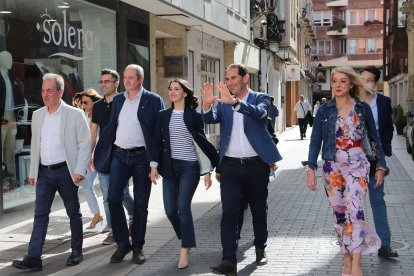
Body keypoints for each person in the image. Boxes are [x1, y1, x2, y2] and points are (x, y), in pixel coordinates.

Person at [305, 66, 388, 276]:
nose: (338, 85)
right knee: (339, 215)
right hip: (331, 166)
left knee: (355, 211)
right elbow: (315, 142)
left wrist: (380, 166)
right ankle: (346, 259)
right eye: (334, 81)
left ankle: (356, 265)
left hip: (358, 163)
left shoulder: (361, 107)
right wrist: (311, 169)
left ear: (351, 84)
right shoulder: (324, 110)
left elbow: (374, 139)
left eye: (343, 81)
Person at [201, 63, 282, 275]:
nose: (229, 83)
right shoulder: (224, 101)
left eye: (233, 78)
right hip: (230, 166)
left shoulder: (260, 98)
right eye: (227, 79)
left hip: (256, 165)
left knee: (258, 209)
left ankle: (260, 248)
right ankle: (228, 260)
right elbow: (210, 118)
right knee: (229, 212)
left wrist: (236, 103)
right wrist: (207, 106)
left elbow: (261, 114)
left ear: (245, 78)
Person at [12, 73, 90, 271]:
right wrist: (32, 172)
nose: (45, 95)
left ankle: (76, 252)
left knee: (73, 213)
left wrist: (80, 169)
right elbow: (36, 145)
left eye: (49, 91)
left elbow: (84, 143)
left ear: (60, 92)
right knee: (40, 214)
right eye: (42, 91)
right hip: (44, 173)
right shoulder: (38, 115)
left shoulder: (74, 114)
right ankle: (34, 257)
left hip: (66, 171)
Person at [150, 79, 219, 269]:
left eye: (176, 89)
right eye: (170, 89)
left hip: (189, 167)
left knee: (183, 208)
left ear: (185, 93)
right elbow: (157, 142)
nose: (172, 92)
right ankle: (186, 237)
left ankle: (185, 248)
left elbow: (201, 144)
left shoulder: (194, 116)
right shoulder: (163, 115)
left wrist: (206, 171)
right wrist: (154, 166)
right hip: (169, 168)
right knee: (170, 211)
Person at [104, 64, 165, 264]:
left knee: (140, 204)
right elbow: (113, 126)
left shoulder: (153, 100)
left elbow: (158, 134)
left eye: (131, 77)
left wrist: (154, 163)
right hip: (120, 156)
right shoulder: (119, 99)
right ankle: (123, 243)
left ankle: (137, 247)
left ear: (141, 78)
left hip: (142, 158)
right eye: (125, 77)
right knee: (112, 198)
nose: (127, 81)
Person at [90, 69, 135, 245]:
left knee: (122, 193)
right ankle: (114, 230)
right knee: (108, 196)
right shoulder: (98, 106)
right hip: (103, 156)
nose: (103, 85)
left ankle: (134, 215)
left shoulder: (125, 102)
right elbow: (94, 131)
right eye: (101, 82)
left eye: (107, 81)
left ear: (116, 83)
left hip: (122, 154)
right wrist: (90, 154)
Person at [360, 66, 398, 258]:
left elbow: (387, 127)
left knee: (377, 201)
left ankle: (384, 244)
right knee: (354, 204)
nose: (365, 82)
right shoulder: (352, 102)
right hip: (355, 159)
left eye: (369, 79)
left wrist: (383, 149)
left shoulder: (383, 102)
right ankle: (356, 242)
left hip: (375, 158)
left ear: (375, 82)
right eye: (362, 78)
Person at [73, 89, 104, 230]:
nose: (84, 105)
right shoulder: (84, 115)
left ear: (94, 102)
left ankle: (111, 219)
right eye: (82, 102)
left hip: (101, 156)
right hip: (89, 156)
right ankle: (97, 215)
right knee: (87, 185)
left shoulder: (100, 115)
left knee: (108, 190)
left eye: (86, 102)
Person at [0, 50, 25, 178]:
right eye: (7, 59)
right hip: (2, 116)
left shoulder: (11, 77)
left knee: (9, 149)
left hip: (11, 116)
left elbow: (19, 97)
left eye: (11, 58)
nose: (10, 62)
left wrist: (18, 116)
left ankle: (10, 179)